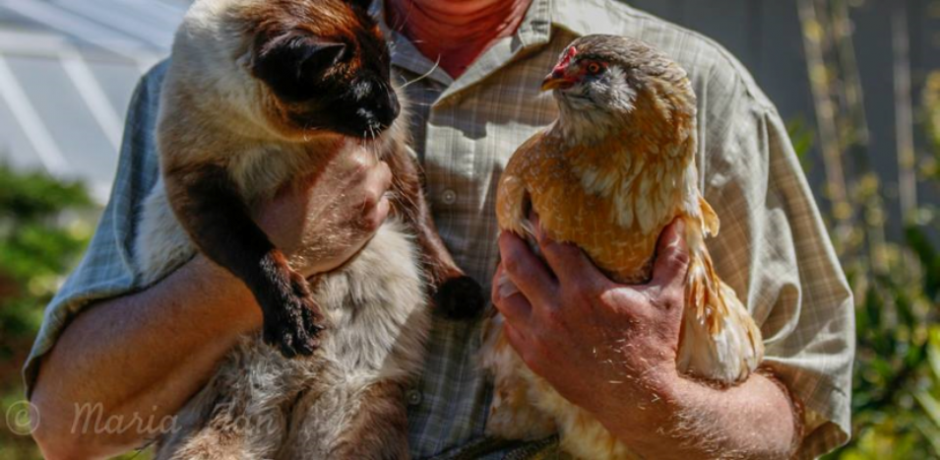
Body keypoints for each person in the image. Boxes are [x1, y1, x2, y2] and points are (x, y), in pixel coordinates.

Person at [25, 0, 855, 458]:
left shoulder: (692, 89)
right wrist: (271, 257)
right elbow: (69, 424)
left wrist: (639, 389)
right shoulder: (223, 86)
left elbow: (799, 419)